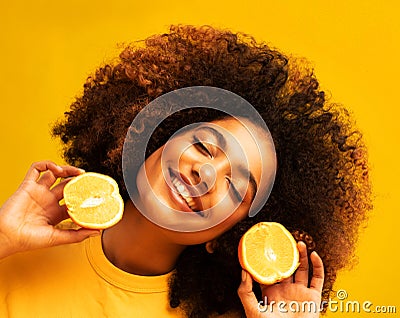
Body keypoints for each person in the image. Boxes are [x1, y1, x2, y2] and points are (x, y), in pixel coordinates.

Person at [0, 25, 371, 317]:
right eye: (204, 144)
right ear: (158, 136)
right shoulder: (17, 249)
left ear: (232, 234)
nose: (205, 174)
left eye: (236, 187)